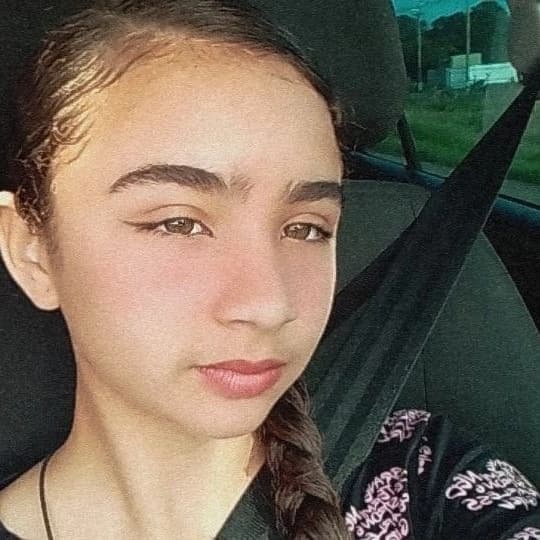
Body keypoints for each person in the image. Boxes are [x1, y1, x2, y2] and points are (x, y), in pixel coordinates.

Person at [0, 1, 538, 538]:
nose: (271, 305)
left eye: (306, 228)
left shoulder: (423, 479)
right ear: (31, 251)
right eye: (178, 223)